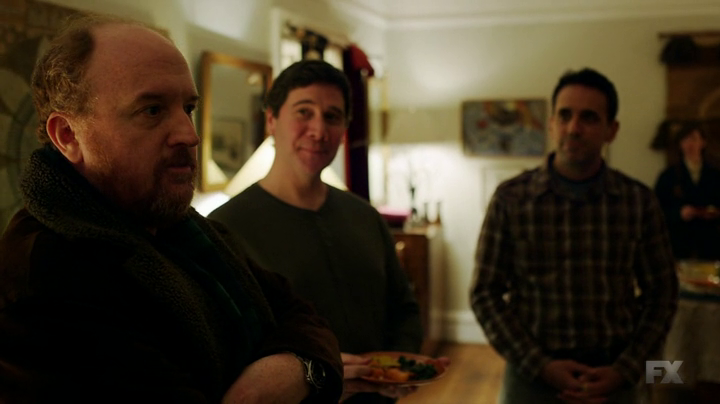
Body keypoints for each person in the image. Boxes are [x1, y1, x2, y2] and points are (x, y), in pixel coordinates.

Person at [0, 13, 343, 403]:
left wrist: (290, 370)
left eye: (188, 108)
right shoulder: (43, 275)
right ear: (68, 135)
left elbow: (302, 314)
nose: (189, 135)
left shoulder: (186, 227)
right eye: (152, 110)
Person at [208, 60, 425, 403]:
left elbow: (404, 308)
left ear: (344, 129)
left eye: (332, 116)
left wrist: (397, 366)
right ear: (271, 121)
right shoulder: (225, 229)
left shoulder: (365, 216)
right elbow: (227, 346)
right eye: (304, 112)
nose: (319, 130)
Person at [470, 68, 678, 403]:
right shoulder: (511, 199)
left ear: (611, 130)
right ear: (551, 123)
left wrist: (626, 369)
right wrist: (540, 365)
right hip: (531, 373)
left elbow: (662, 294)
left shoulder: (638, 202)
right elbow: (484, 294)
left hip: (615, 375)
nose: (573, 128)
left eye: (589, 118)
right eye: (565, 116)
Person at [654, 123, 720, 260]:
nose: (690, 144)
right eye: (686, 139)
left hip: (710, 241)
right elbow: (657, 210)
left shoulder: (715, 174)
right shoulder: (669, 176)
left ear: (703, 142)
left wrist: (712, 212)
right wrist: (679, 213)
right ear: (680, 144)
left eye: (694, 139)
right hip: (680, 241)